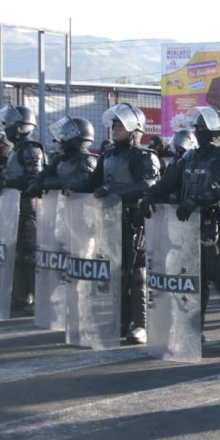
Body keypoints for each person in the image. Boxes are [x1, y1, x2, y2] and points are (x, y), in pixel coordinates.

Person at [140, 107, 220, 355]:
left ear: (216, 131)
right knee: (194, 283)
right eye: (196, 127)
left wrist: (197, 200)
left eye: (201, 127)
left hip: (217, 226)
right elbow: (167, 183)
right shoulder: (189, 157)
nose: (196, 131)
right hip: (186, 227)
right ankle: (194, 331)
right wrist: (150, 196)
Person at [86, 103, 162, 345]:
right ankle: (120, 320)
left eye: (120, 125)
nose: (115, 128)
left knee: (137, 274)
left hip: (135, 220)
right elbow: (91, 182)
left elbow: (149, 185)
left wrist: (112, 190)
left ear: (134, 128)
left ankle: (141, 324)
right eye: (114, 124)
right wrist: (68, 187)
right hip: (110, 219)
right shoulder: (108, 156)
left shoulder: (144, 156)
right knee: (116, 272)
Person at [0, 105, 47, 314]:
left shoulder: (31, 149)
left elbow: (34, 180)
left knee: (31, 254)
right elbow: (9, 175)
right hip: (14, 206)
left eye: (10, 124)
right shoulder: (17, 149)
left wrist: (7, 183)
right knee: (17, 253)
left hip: (29, 207)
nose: (6, 128)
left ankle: (38, 299)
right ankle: (20, 296)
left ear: (22, 126)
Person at [28, 116, 97, 197]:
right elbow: (42, 175)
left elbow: (77, 181)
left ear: (77, 138)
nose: (60, 140)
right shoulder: (58, 158)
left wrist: (42, 183)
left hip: (79, 203)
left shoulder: (88, 160)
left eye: (66, 135)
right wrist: (34, 181)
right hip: (56, 203)